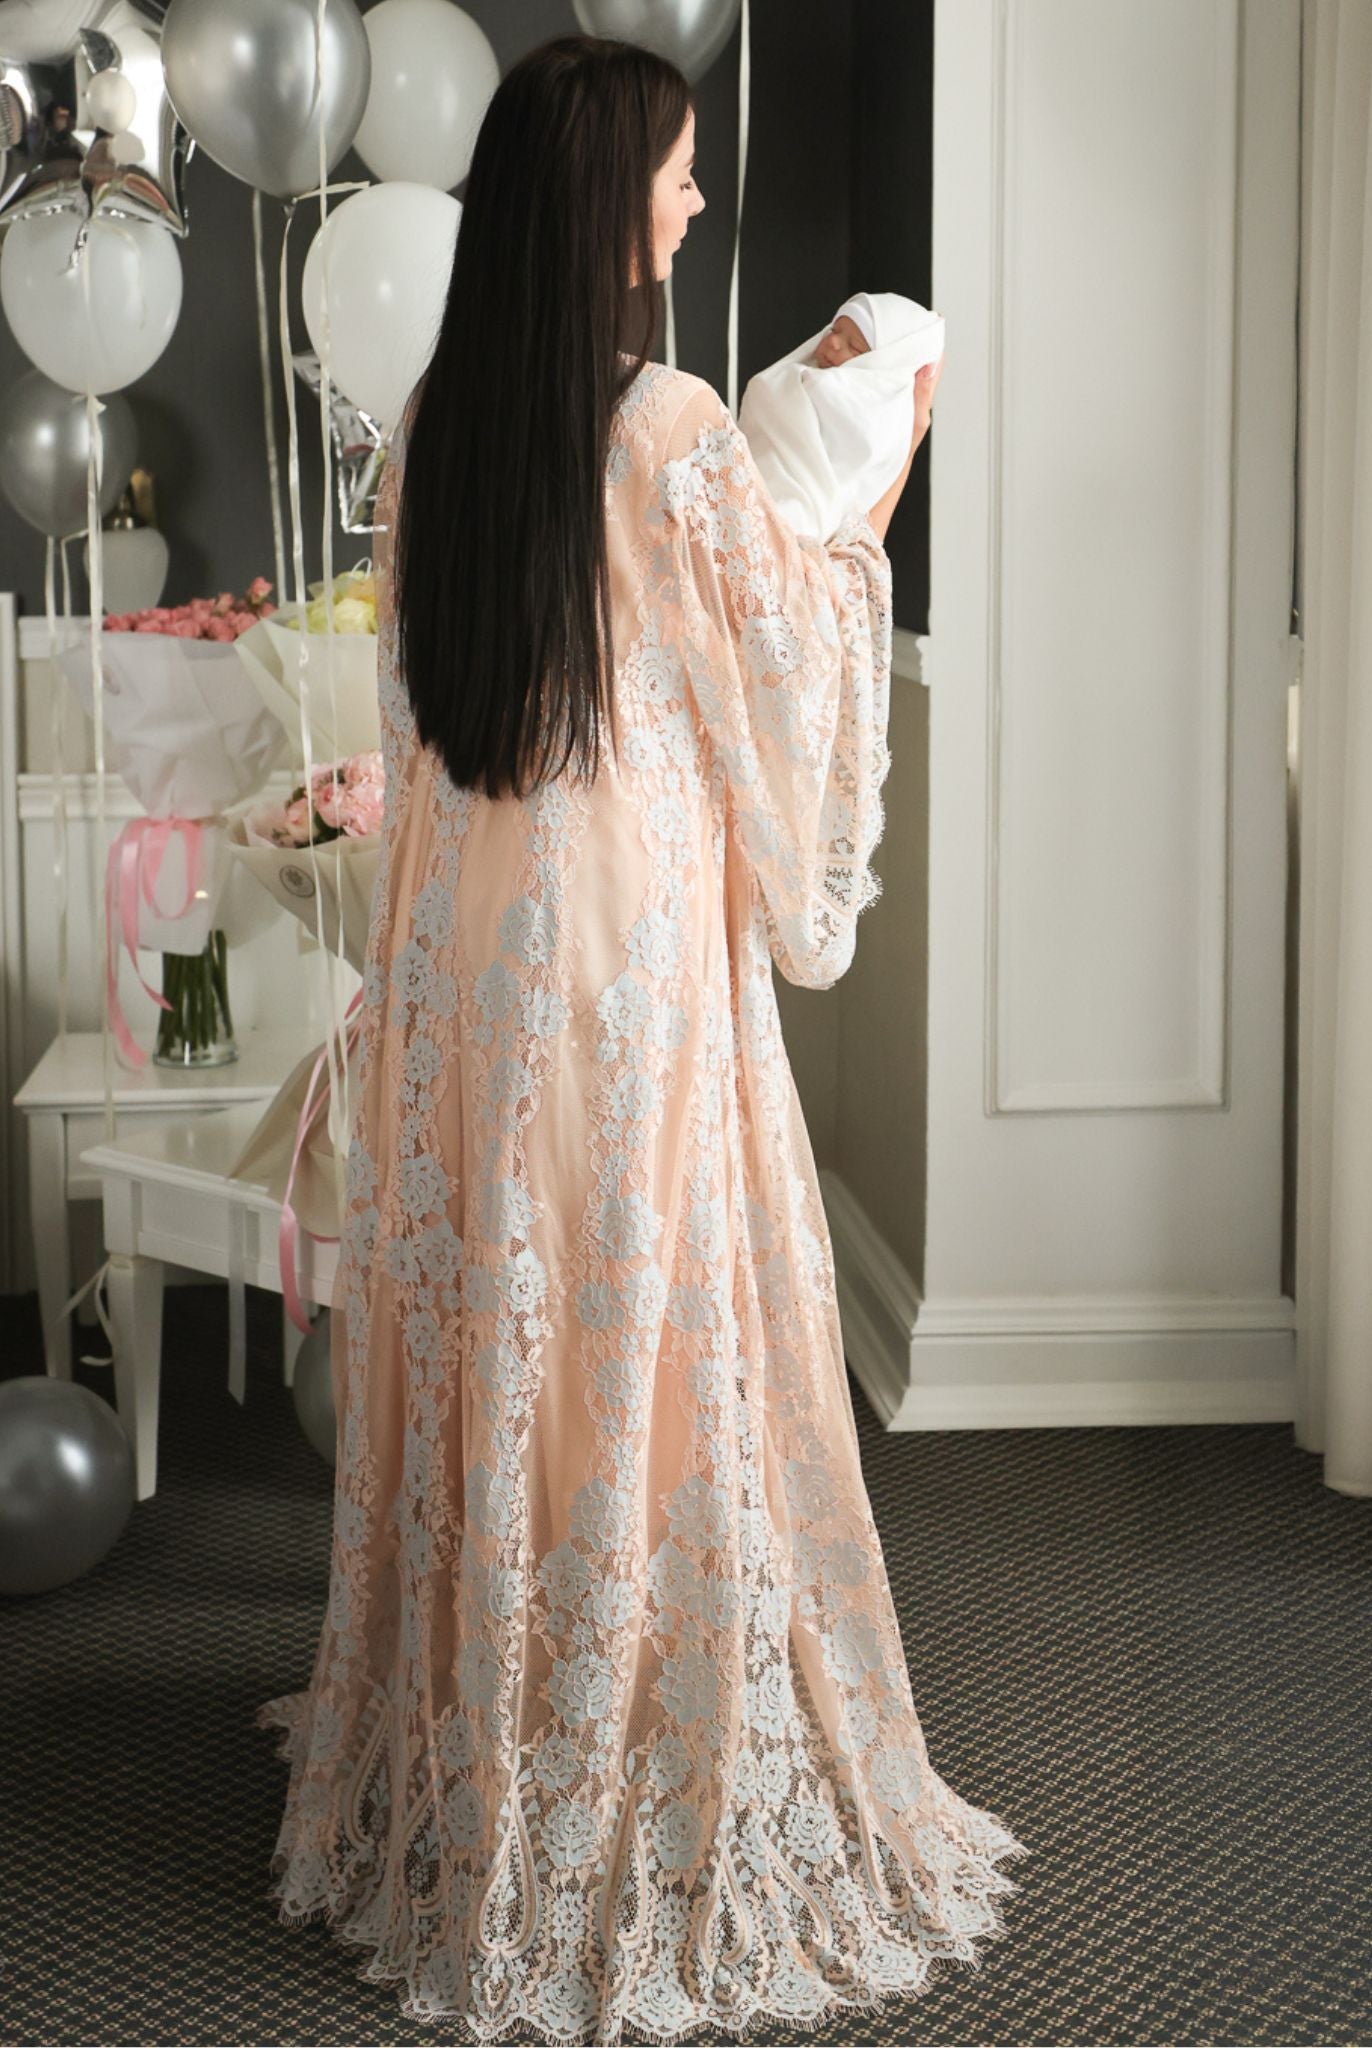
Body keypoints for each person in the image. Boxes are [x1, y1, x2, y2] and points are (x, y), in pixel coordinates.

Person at [256, 32, 1026, 2046]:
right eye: (676, 174)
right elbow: (782, 667)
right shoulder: (670, 424)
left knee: (521, 1329)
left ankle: (482, 1715)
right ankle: (610, 1765)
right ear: (611, 200)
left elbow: (440, 714)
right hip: (627, 973)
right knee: (642, 1329)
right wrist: (880, 493)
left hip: (474, 955)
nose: (694, 204)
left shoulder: (438, 419)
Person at [740, 289, 947, 544]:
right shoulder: (795, 377)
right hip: (756, 501)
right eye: (835, 330)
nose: (834, 343)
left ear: (880, 369)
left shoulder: (876, 416)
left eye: (856, 348)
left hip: (800, 526)